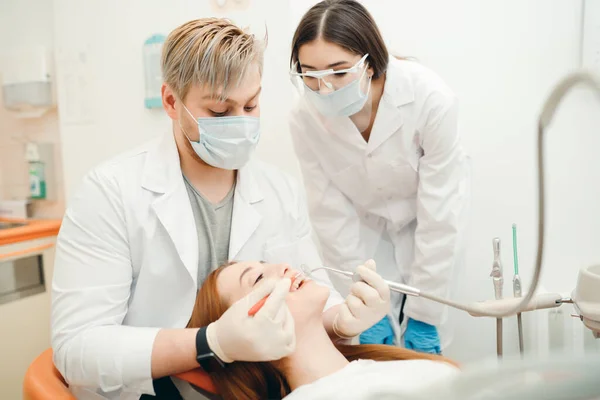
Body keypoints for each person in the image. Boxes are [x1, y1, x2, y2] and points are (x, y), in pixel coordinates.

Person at [51, 18, 389, 400]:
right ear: (171, 102)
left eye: (251, 104)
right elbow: (76, 348)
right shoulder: (111, 192)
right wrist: (209, 342)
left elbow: (309, 291)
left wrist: (340, 321)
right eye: (219, 111)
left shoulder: (278, 190)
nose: (242, 123)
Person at [288, 0, 470, 353]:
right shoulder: (303, 118)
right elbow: (330, 218)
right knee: (373, 349)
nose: (323, 89)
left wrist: (426, 314)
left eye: (339, 72)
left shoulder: (430, 100)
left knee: (428, 344)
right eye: (310, 74)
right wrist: (365, 309)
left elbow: (440, 215)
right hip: (366, 228)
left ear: (369, 63)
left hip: (428, 222)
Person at [181, 261, 460, 400]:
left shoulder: (398, 367)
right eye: (259, 278)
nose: (284, 266)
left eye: (267, 263)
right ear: (245, 332)